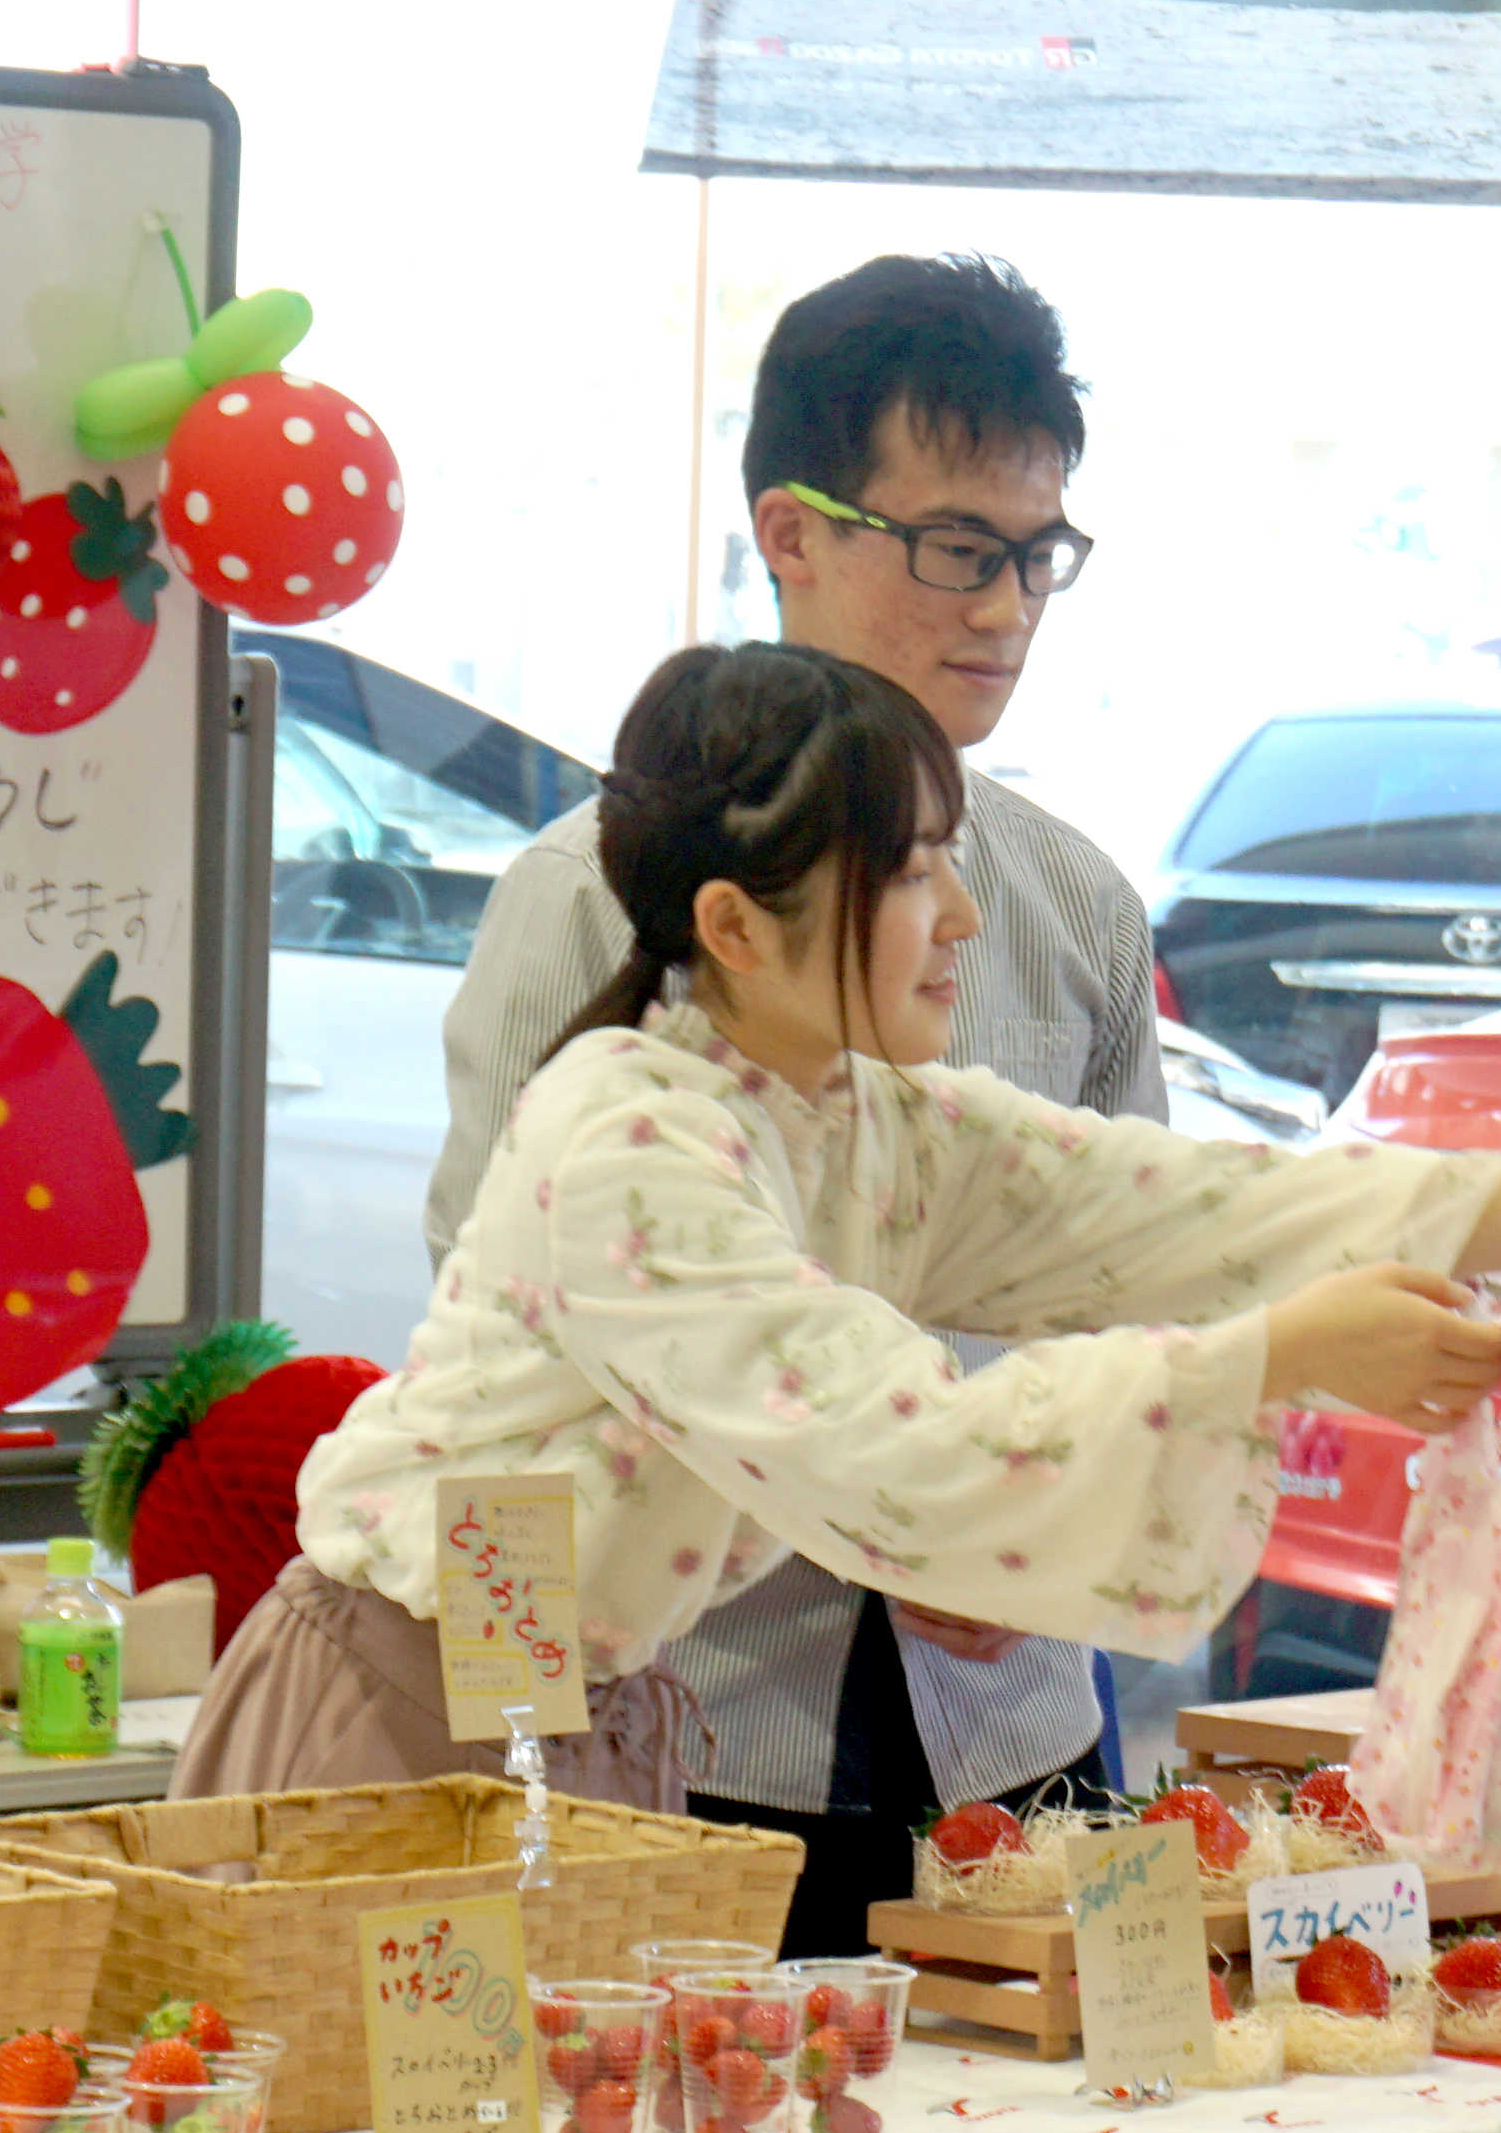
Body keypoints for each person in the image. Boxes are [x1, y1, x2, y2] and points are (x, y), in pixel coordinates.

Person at [186, 642, 1501, 1806]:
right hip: (399, 1714)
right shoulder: (628, 1137)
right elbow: (898, 1442)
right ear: (734, 927)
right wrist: (1274, 1359)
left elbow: (1211, 1203)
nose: (962, 917)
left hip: (569, 1714)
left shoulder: (866, 1122)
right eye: (911, 875)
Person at [419, 253, 1161, 1950]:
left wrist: (1050, 1517)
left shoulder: (1075, 906)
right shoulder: (589, 902)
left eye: (1039, 555)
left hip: (1021, 1737)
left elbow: (1129, 1300)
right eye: (958, 549)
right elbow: (499, 1358)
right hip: (686, 1739)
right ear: (792, 532)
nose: (1004, 608)